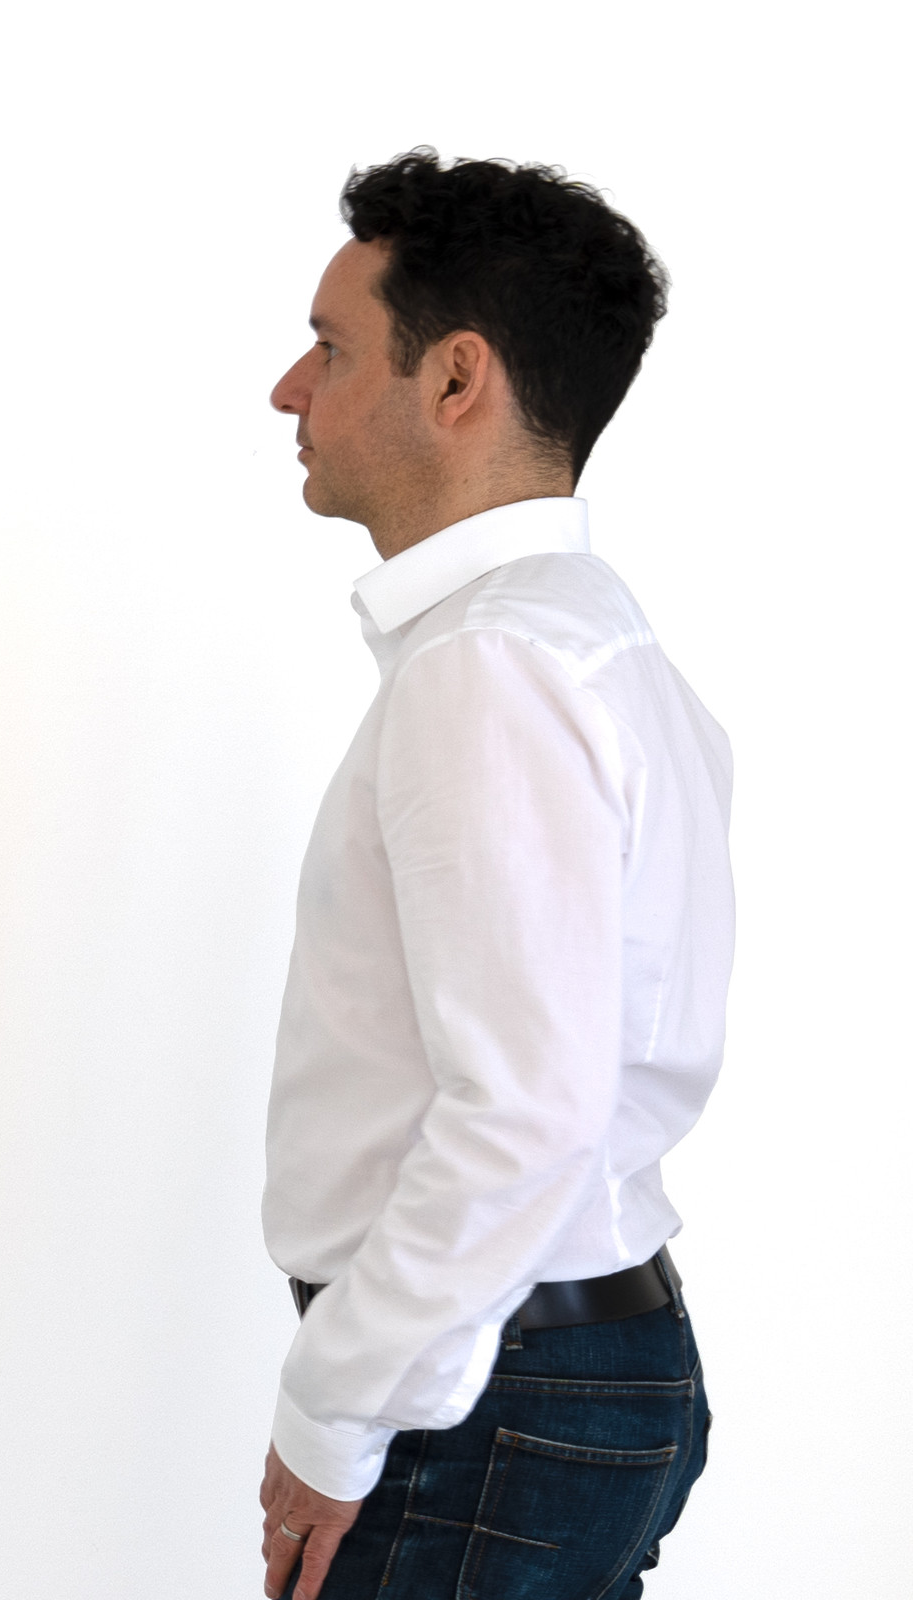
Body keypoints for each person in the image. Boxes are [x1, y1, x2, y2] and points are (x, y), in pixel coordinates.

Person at [258, 149, 733, 1600]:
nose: (289, 389)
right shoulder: (589, 638)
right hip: (551, 1370)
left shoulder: (492, 667)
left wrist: (332, 1409)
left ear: (455, 378)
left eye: (334, 348)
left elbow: (525, 1109)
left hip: (486, 1404)